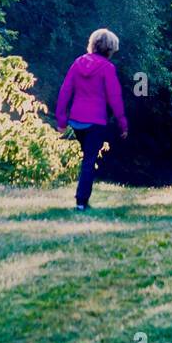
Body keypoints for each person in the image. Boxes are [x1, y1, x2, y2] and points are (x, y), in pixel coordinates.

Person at [55, 28, 128, 210]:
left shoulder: (78, 62)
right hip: (96, 121)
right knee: (89, 160)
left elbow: (65, 91)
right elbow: (115, 97)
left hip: (77, 121)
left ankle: (82, 199)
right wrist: (122, 123)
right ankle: (81, 202)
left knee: (87, 158)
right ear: (110, 49)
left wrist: (62, 120)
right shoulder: (107, 68)